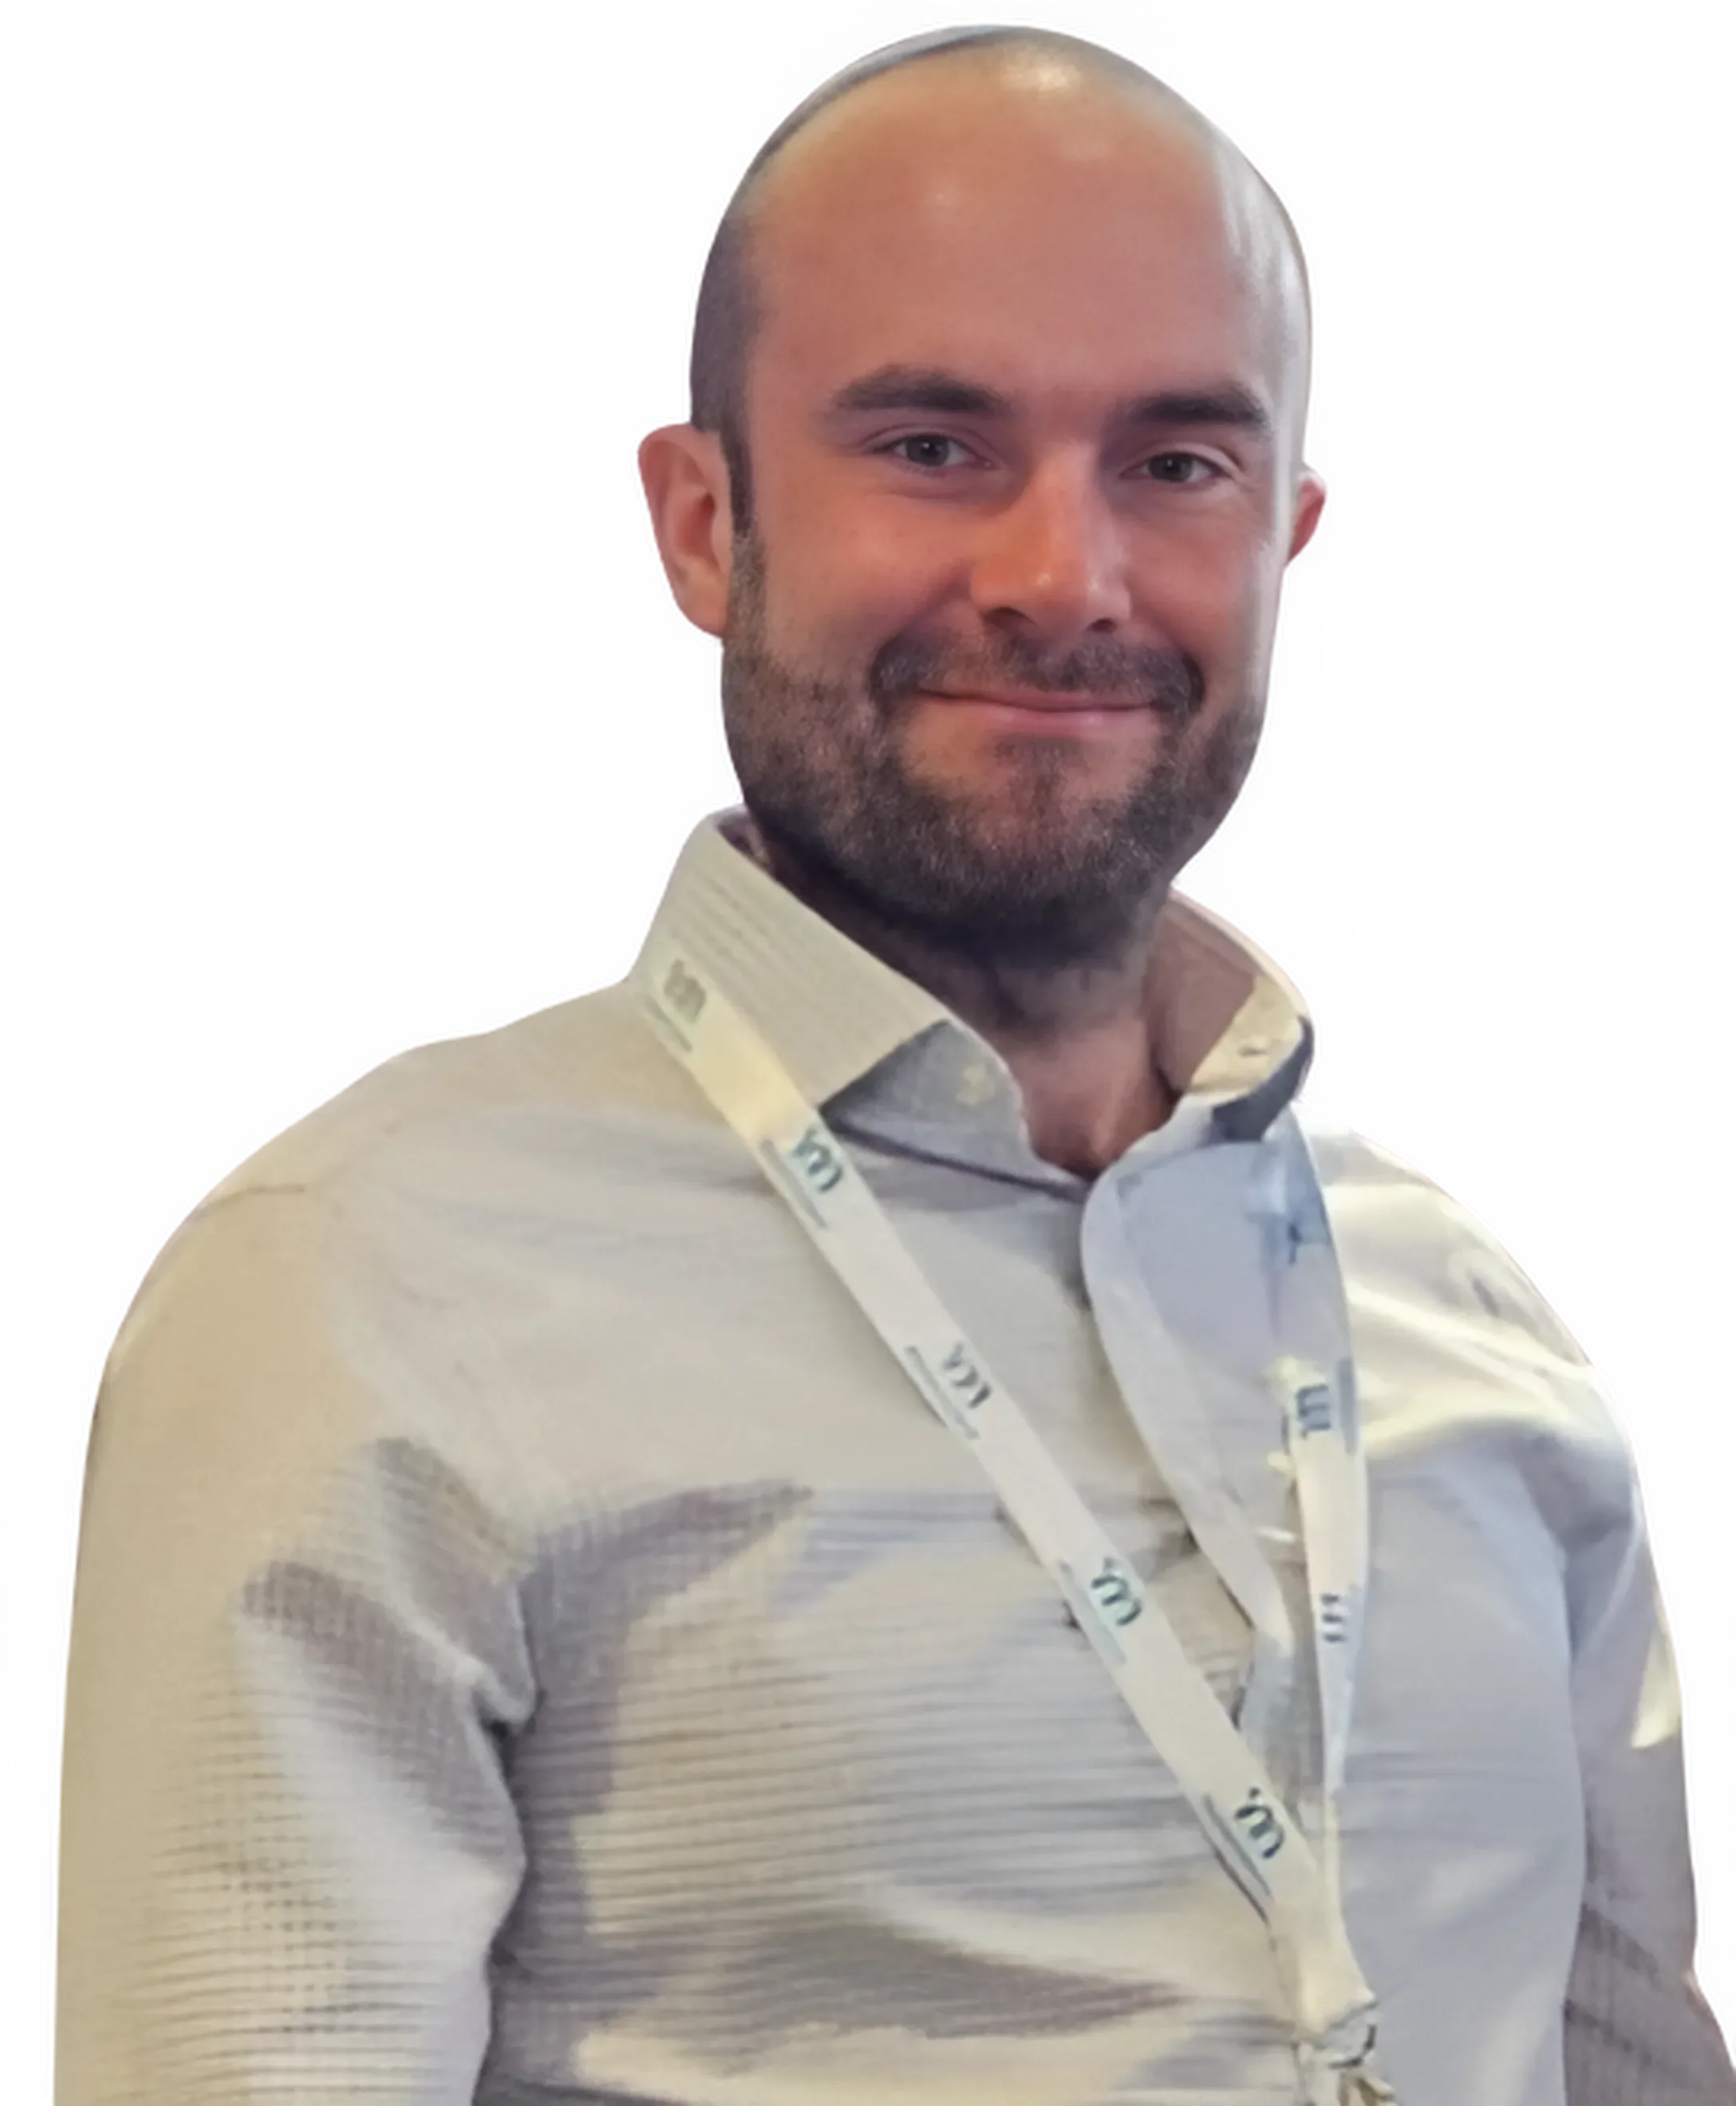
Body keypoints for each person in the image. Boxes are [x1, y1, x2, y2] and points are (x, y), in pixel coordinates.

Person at [47, 17, 1735, 2105]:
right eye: (933, 445)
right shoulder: (362, 1297)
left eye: (1175, 461)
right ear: (702, 525)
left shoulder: (1471, 1334)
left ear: (1288, 551)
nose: (1063, 576)